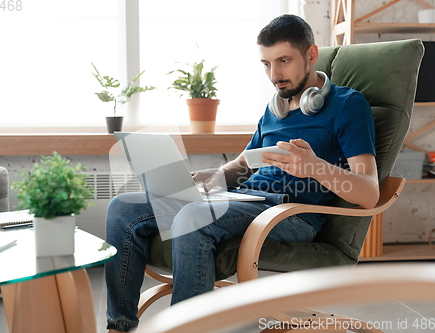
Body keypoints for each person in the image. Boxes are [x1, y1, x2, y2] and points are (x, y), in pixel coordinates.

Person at [105, 14, 379, 332]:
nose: (274, 75)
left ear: (311, 55)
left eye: (284, 61)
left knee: (194, 215)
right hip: (240, 199)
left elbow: (369, 191)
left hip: (288, 213)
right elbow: (244, 164)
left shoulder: (348, 105)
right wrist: (215, 176)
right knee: (123, 208)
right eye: (266, 64)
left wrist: (315, 167)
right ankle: (119, 326)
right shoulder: (275, 108)